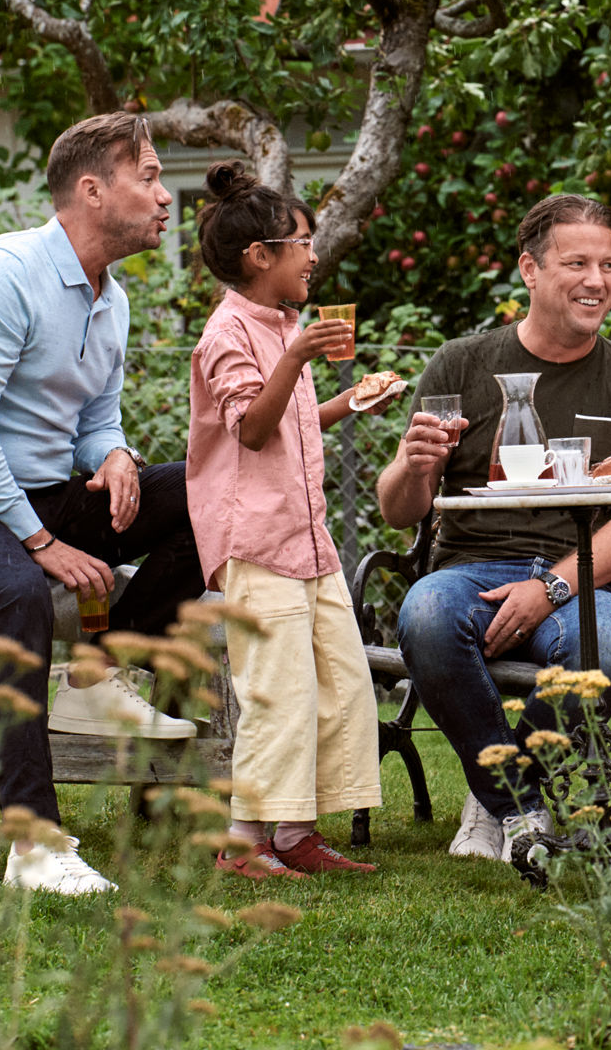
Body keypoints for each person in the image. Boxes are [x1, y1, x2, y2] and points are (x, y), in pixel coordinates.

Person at [0, 112, 204, 895]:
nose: (166, 197)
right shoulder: (7, 273)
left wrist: (117, 455)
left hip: (44, 492)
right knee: (22, 592)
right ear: (93, 191)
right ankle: (32, 843)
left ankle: (97, 675)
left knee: (207, 491)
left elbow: (95, 418)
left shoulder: (111, 298)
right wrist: (38, 541)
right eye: (151, 177)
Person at [376, 193, 611, 864]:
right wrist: (412, 464)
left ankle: (495, 798)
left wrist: (549, 588)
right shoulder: (462, 364)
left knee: (601, 651)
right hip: (466, 574)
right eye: (576, 263)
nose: (597, 281)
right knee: (423, 616)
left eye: (609, 264)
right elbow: (401, 509)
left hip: (581, 580)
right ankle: (518, 803)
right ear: (530, 271)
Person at [185, 160, 388, 879]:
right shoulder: (229, 334)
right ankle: (241, 843)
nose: (314, 253)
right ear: (259, 256)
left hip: (308, 541)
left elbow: (295, 419)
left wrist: (349, 402)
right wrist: (297, 358)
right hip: (257, 544)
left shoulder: (286, 324)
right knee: (275, 692)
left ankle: (296, 832)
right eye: (303, 240)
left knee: (337, 681)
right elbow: (250, 429)